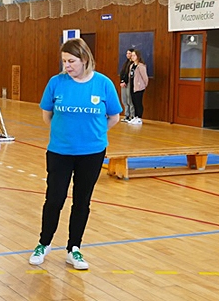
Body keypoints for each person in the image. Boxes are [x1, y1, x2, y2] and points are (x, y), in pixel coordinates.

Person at [29, 38, 121, 270]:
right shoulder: (56, 83)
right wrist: (65, 135)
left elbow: (113, 117)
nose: (67, 66)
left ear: (85, 59)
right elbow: (47, 114)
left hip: (92, 153)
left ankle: (74, 248)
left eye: (71, 61)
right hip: (60, 151)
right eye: (64, 61)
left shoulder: (103, 84)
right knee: (55, 198)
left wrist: (93, 135)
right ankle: (44, 243)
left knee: (82, 201)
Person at [128, 49, 149, 125]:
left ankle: (139, 118)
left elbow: (145, 77)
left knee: (138, 102)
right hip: (132, 86)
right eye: (132, 55)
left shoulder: (141, 66)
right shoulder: (131, 66)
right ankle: (135, 117)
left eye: (134, 55)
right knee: (134, 102)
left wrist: (143, 85)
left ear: (138, 56)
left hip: (139, 87)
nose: (132, 57)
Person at [118, 48, 135, 122]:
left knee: (130, 100)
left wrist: (126, 81)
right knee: (124, 100)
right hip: (124, 83)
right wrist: (122, 81)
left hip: (129, 84)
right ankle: (126, 115)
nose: (128, 55)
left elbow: (130, 74)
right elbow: (123, 73)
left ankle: (132, 116)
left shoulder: (133, 64)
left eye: (129, 53)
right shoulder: (126, 63)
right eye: (127, 53)